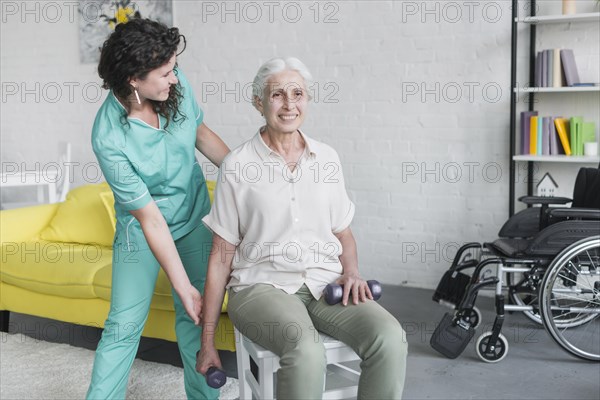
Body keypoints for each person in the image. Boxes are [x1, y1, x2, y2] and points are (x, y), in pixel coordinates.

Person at [196, 57, 407, 399]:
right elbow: (222, 256)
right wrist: (206, 342)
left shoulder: (327, 159)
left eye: (298, 93)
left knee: (389, 337)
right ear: (258, 102)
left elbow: (344, 234)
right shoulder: (237, 166)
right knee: (306, 350)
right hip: (260, 288)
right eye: (277, 94)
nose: (289, 104)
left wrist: (352, 272)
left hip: (325, 281)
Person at [87, 18, 229, 400]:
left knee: (198, 320)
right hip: (143, 232)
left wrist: (243, 175)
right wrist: (182, 286)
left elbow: (198, 131)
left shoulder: (172, 85)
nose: (175, 78)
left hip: (195, 217)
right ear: (134, 78)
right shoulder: (109, 136)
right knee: (123, 326)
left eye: (174, 68)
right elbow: (149, 217)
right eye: (165, 73)